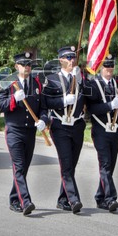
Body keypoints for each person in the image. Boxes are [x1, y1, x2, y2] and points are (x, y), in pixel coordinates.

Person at [0, 52, 48, 216]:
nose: (27, 67)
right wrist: (14, 99)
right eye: (23, 64)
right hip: (14, 131)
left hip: (30, 132)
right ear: (16, 66)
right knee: (18, 167)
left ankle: (14, 199)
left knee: (23, 168)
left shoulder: (37, 83)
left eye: (29, 64)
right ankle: (25, 201)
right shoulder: (7, 82)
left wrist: (44, 120)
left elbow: (43, 107)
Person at [43, 46, 86, 214]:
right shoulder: (52, 79)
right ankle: (73, 199)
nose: (72, 60)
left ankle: (62, 200)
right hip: (60, 126)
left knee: (71, 165)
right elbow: (46, 102)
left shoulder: (81, 78)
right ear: (60, 60)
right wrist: (62, 101)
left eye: (73, 57)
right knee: (66, 163)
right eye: (68, 58)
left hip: (77, 125)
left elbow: (91, 96)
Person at [85, 54, 118, 212]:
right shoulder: (93, 85)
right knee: (106, 164)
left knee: (111, 165)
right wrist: (110, 105)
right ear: (100, 67)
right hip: (101, 130)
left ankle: (100, 197)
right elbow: (91, 108)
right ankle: (110, 198)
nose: (109, 69)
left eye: (111, 66)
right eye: (106, 66)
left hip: (116, 130)